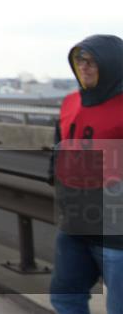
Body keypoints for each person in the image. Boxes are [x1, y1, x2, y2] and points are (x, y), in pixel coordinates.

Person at [49, 34, 123, 314]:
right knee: (65, 299)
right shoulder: (70, 103)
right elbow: (60, 148)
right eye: (80, 60)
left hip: (116, 233)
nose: (85, 67)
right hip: (74, 227)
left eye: (93, 61)